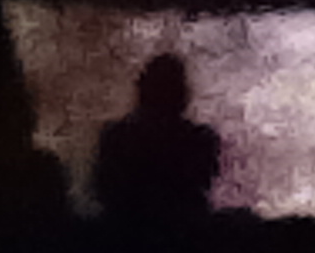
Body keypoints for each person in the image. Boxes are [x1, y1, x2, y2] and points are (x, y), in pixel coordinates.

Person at [90, 52, 223, 228]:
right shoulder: (201, 141)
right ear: (182, 93)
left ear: (142, 89)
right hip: (185, 234)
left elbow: (104, 192)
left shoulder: (117, 138)